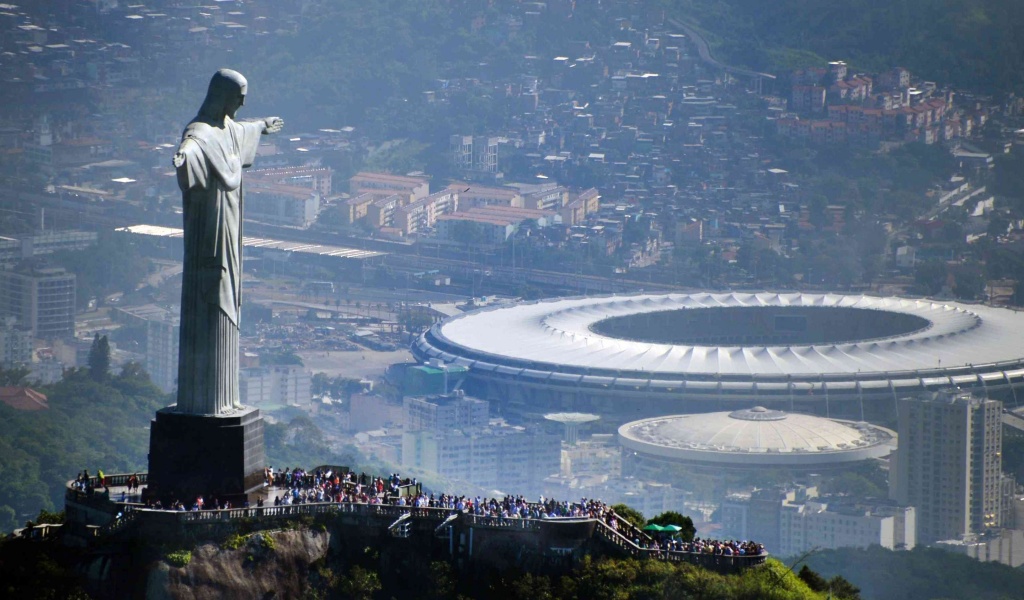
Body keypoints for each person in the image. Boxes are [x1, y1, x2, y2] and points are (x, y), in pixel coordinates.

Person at [173, 69, 283, 415]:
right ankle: (205, 401)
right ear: (222, 95)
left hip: (231, 230)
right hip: (210, 232)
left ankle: (225, 399)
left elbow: (241, 130)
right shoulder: (200, 133)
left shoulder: (228, 129)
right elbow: (190, 148)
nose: (242, 104)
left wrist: (262, 124)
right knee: (212, 296)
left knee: (229, 300)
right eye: (239, 97)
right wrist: (184, 159)